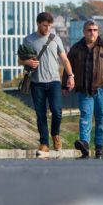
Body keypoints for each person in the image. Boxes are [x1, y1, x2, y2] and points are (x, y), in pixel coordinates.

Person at [20, 12, 74, 157]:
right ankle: (44, 143)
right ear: (38, 24)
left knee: (57, 111)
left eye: (50, 25)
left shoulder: (55, 39)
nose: (48, 28)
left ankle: (55, 134)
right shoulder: (28, 40)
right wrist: (28, 62)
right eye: (45, 25)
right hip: (36, 83)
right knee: (41, 114)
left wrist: (70, 76)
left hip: (54, 81)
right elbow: (20, 60)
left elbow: (64, 59)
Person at [64, 19, 103, 159]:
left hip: (101, 89)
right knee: (85, 117)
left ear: (97, 31)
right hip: (84, 90)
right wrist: (65, 84)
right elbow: (67, 66)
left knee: (100, 118)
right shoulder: (76, 48)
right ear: (84, 32)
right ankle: (85, 146)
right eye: (89, 30)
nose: (92, 32)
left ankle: (99, 147)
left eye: (94, 30)